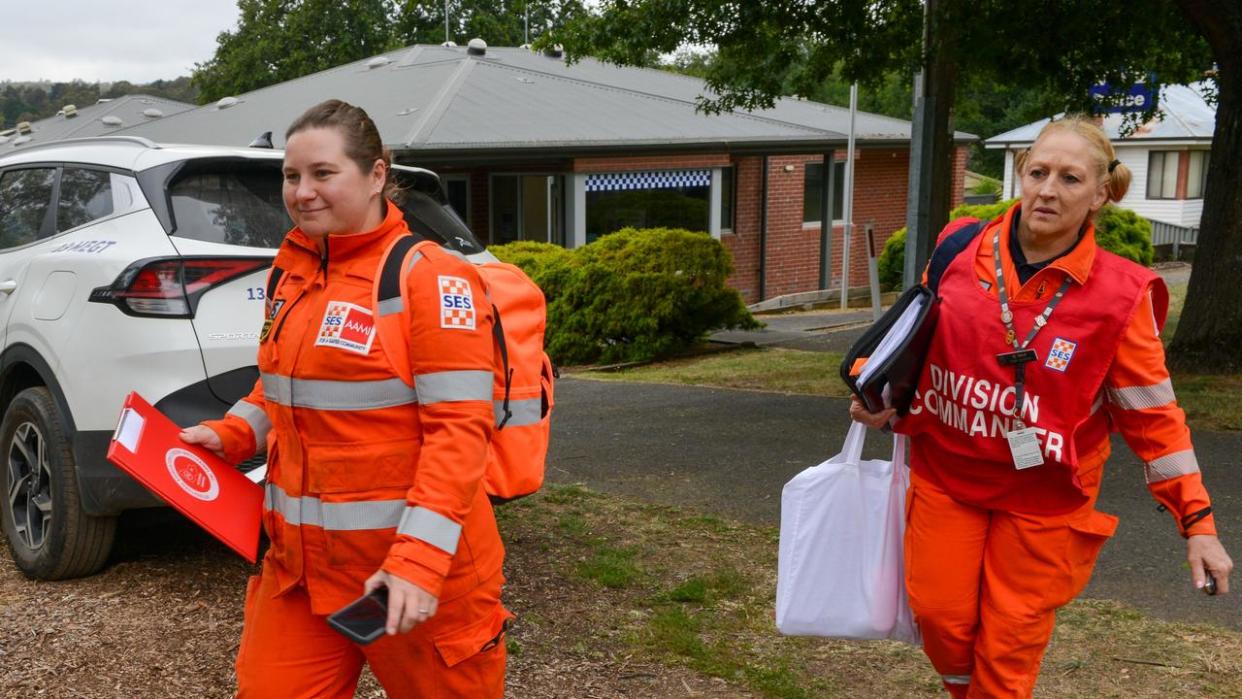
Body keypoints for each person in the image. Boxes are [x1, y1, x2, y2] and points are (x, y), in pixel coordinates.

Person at [850, 115, 1232, 698]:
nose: (1049, 189)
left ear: (1102, 193)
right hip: (947, 476)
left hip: (1046, 501)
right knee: (940, 618)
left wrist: (1197, 523)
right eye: (1038, 172)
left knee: (1009, 646)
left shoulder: (1122, 294)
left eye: (1071, 178)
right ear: (1021, 176)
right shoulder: (958, 248)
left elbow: (1153, 415)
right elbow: (912, 341)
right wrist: (881, 398)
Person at [180, 99, 511, 698]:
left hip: (409, 582)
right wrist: (233, 435)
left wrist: (415, 562)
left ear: (377, 175)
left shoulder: (428, 278)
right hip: (301, 575)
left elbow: (460, 435)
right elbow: (282, 388)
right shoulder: (293, 268)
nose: (302, 192)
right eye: (291, 175)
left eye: (323, 174)